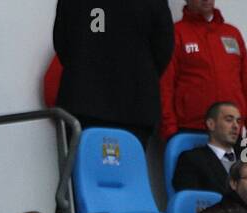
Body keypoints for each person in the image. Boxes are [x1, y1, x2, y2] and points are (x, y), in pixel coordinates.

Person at [52, 0, 173, 149]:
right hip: (135, 103)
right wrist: (142, 75)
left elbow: (62, 41)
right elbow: (163, 47)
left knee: (84, 168)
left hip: (82, 99)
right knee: (129, 170)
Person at [159, 0, 247, 142]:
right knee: (200, 165)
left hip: (234, 134)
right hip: (190, 134)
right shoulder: (176, 33)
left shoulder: (232, 33)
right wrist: (171, 134)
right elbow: (164, 88)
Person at [170, 101, 243, 196]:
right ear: (211, 124)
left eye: (238, 121)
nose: (236, 126)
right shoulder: (191, 159)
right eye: (229, 120)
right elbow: (190, 201)